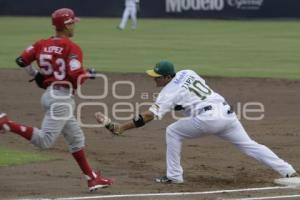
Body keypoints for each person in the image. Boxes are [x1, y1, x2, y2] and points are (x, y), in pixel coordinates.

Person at [95, 60, 298, 184]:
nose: (153, 79)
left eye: (157, 77)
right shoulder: (187, 72)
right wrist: (176, 105)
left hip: (208, 118)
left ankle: (174, 176)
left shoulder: (167, 93)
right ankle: (288, 170)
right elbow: (189, 96)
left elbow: (148, 116)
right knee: (249, 145)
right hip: (226, 113)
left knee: (173, 131)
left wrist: (121, 127)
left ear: (166, 77)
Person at [0, 8, 113, 192]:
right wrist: (89, 74)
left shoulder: (41, 43)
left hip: (51, 95)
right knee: (44, 141)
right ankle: (6, 124)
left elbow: (21, 60)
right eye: (72, 23)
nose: (74, 26)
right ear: (66, 25)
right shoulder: (71, 47)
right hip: (61, 99)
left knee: (76, 138)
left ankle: (92, 178)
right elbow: (76, 75)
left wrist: (36, 75)